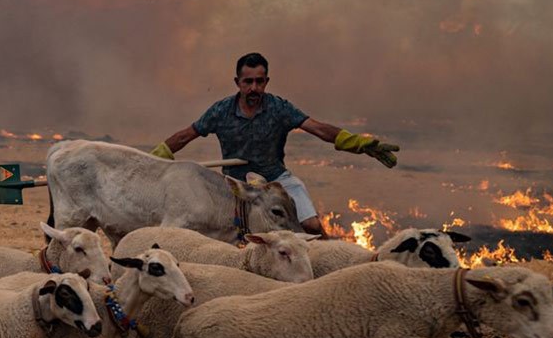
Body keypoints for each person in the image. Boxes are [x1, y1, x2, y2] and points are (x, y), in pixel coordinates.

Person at [151, 52, 399, 237]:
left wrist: (358, 144)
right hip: (237, 190)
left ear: (267, 81)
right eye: (248, 82)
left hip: (277, 182)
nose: (254, 88)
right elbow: (186, 135)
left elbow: (318, 128)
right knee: (224, 238)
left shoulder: (279, 108)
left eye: (259, 81)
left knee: (311, 228)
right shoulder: (220, 111)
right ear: (237, 81)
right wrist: (155, 159)